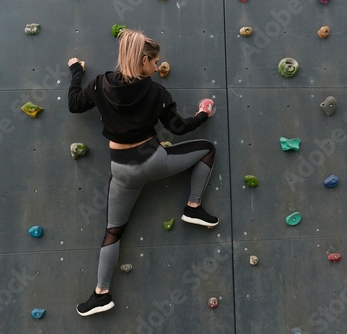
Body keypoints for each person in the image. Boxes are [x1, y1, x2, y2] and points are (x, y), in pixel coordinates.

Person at [68, 28, 219, 317]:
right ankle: (193, 207)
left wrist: (76, 71)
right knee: (207, 148)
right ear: (143, 60)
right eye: (154, 62)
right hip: (154, 161)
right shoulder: (155, 91)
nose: (157, 67)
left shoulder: (100, 85)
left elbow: (74, 104)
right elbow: (178, 128)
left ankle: (101, 294)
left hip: (122, 172)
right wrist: (203, 113)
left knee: (113, 231)